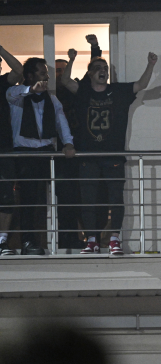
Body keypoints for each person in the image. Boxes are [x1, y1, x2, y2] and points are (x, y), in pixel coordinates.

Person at [60, 48, 157, 255]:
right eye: (97, 68)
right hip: (88, 156)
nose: (102, 71)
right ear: (90, 73)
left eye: (105, 68)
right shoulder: (84, 91)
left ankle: (114, 239)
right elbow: (66, 81)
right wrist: (72, 60)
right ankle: (91, 240)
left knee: (115, 199)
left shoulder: (118, 91)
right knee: (88, 200)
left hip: (113, 156)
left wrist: (151, 64)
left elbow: (141, 84)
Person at [7, 58, 76, 255]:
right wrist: (31, 89)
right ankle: (28, 241)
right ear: (29, 76)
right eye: (42, 73)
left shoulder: (52, 99)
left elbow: (61, 122)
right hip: (25, 154)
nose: (46, 77)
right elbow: (13, 94)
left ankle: (67, 237)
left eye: (46, 73)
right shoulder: (17, 94)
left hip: (48, 152)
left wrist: (68, 143)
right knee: (30, 199)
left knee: (64, 191)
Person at [52, 35, 103, 251]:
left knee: (86, 195)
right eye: (57, 71)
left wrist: (94, 48)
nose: (60, 74)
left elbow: (92, 73)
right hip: (58, 151)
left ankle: (90, 238)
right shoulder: (49, 96)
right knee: (65, 197)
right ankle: (67, 239)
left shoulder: (78, 90)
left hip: (81, 148)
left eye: (63, 70)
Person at [0, 47, 24, 256]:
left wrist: (0, 49)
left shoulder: (2, 83)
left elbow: (19, 70)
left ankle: (2, 240)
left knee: (6, 196)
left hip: (4, 148)